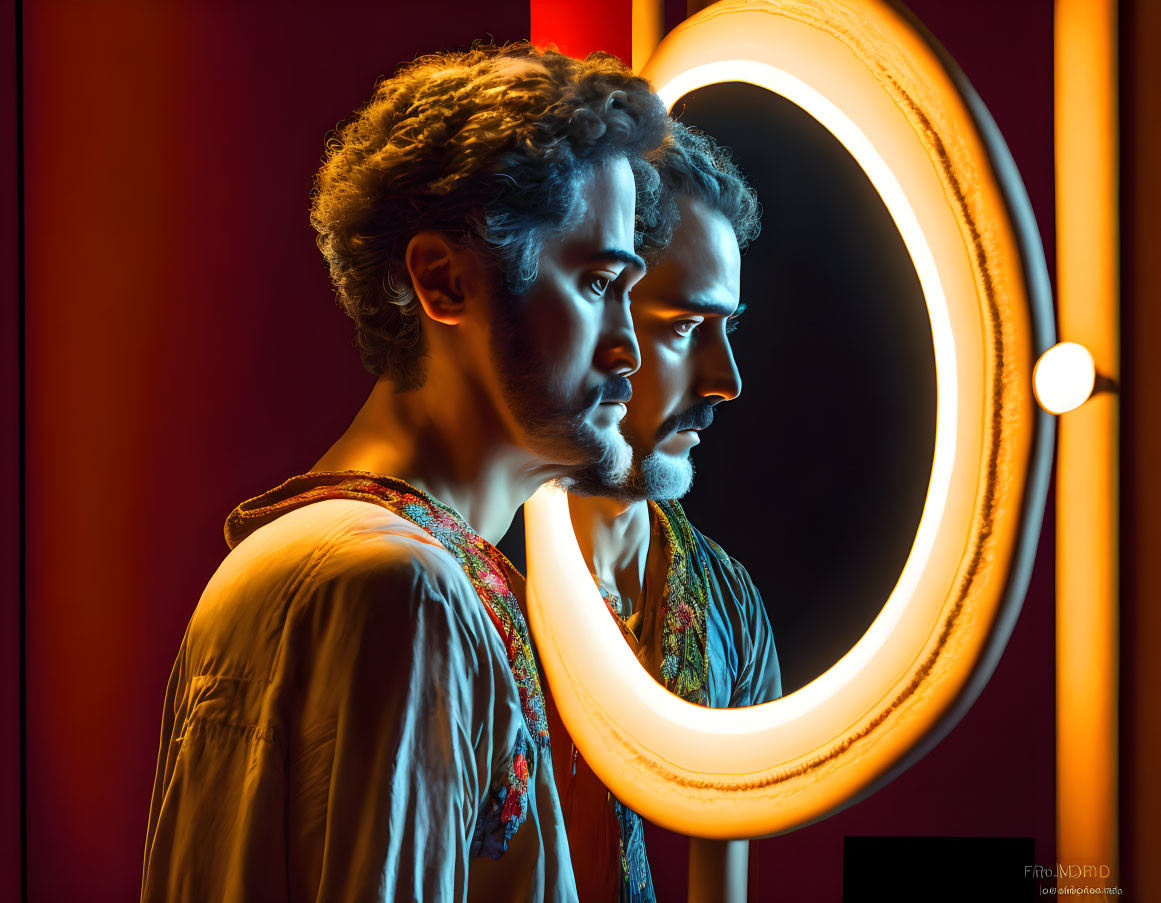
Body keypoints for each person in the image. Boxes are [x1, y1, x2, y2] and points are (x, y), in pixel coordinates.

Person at [141, 42, 669, 903]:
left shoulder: (353, 561)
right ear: (443, 280)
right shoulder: (394, 582)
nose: (627, 347)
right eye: (598, 281)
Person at [553, 122, 781, 903]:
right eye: (685, 327)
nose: (727, 379)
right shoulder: (464, 581)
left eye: (731, 327)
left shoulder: (727, 603)